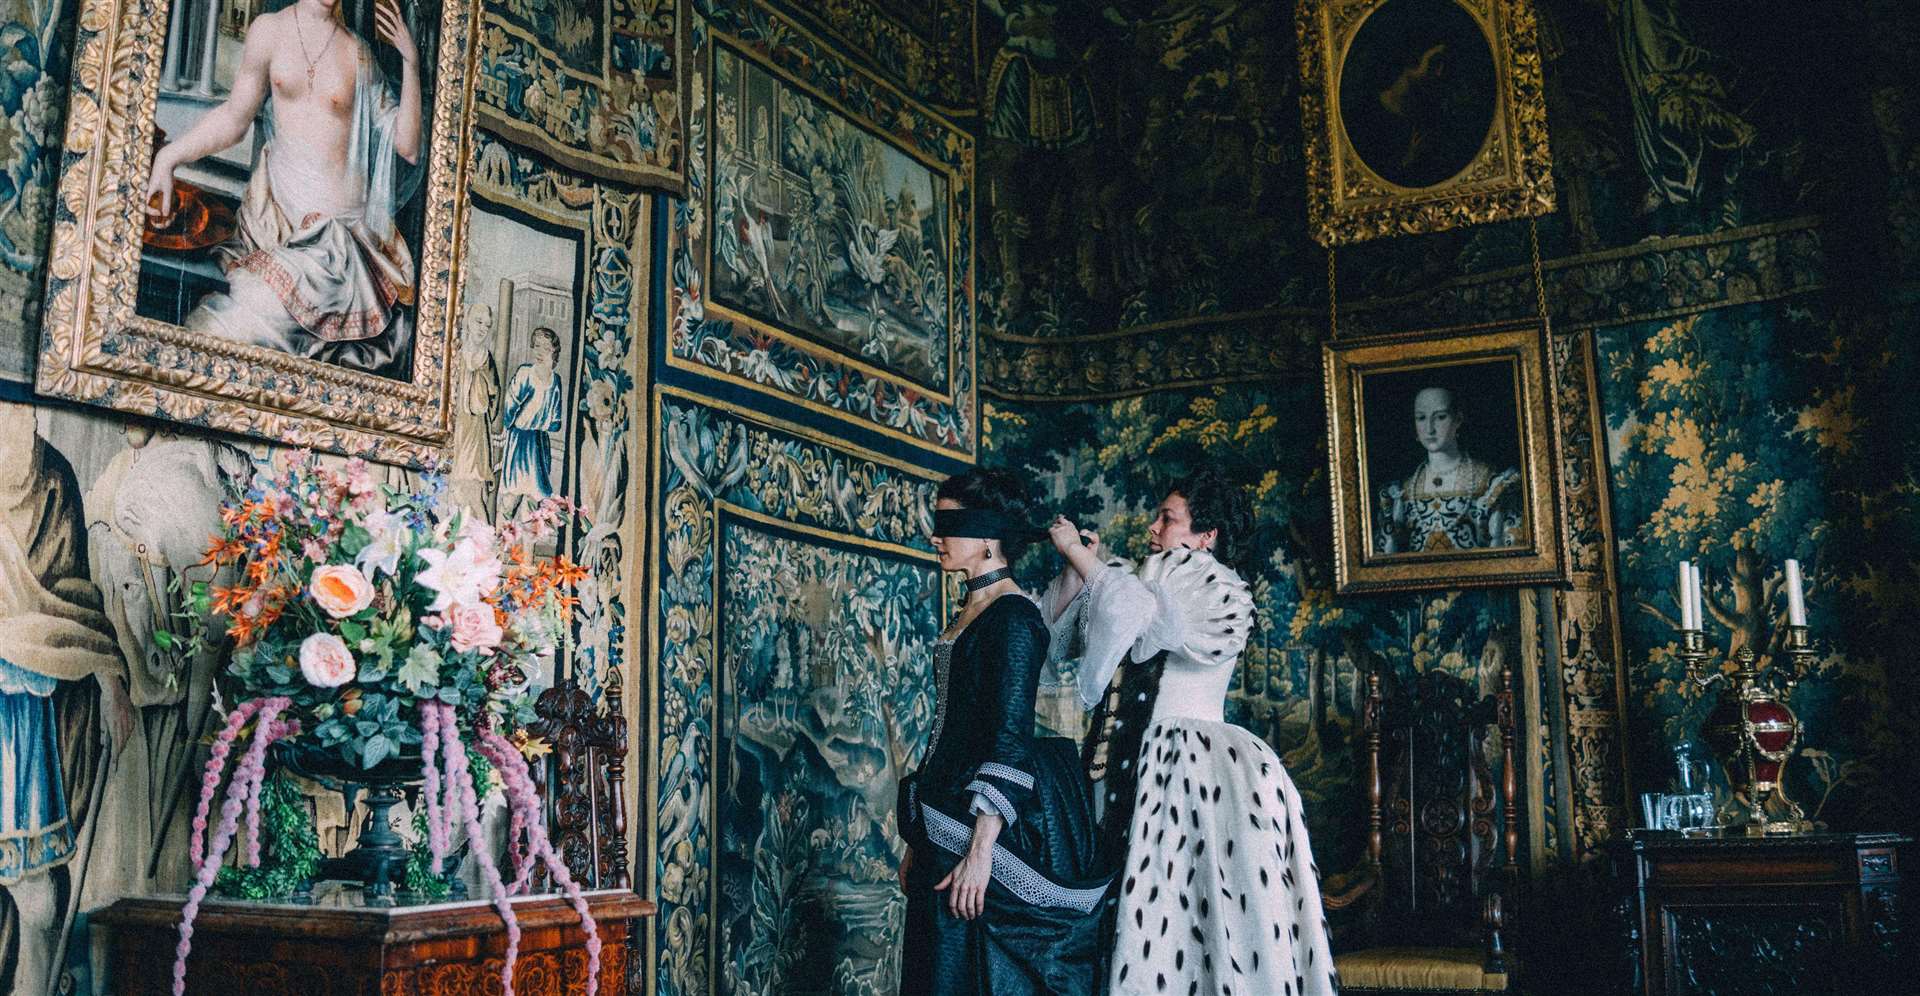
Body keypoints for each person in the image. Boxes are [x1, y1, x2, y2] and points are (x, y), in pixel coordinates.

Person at [1045, 468, 1337, 996]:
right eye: (1157, 516)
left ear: (1207, 537)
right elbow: (1068, 642)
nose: (1153, 528)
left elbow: (1158, 629)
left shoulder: (1217, 588)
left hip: (1189, 771)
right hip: (1123, 765)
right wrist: (1078, 568)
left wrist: (1094, 567)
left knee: (1188, 921)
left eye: (1168, 519)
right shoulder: (1135, 580)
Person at [897, 468, 1109, 995]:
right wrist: (917, 842)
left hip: (984, 829)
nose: (936, 536)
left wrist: (981, 852)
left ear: (989, 535)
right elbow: (949, 729)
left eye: (950, 524)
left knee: (970, 975)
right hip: (942, 822)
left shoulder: (1014, 616)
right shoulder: (974, 607)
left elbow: (1009, 738)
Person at [144, 0, 423, 379]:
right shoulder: (269, 30)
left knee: (240, 319)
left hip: (336, 247)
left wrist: (410, 61)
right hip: (273, 226)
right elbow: (234, 117)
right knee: (228, 319)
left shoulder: (357, 53)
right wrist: (169, 158)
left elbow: (407, 146)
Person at [1374, 386, 1524, 554]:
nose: (1429, 428)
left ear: (1458, 419)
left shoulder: (1490, 482)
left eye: (1440, 417)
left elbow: (1513, 554)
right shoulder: (1401, 490)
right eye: (1421, 418)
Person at [497, 326, 565, 522]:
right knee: (512, 496)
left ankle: (525, 548)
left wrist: (543, 423)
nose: (539, 352)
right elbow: (510, 406)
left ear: (554, 351)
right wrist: (505, 429)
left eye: (545, 348)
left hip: (539, 443)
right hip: (520, 440)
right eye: (536, 347)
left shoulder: (555, 381)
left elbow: (555, 421)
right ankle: (501, 539)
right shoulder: (525, 373)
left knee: (534, 501)